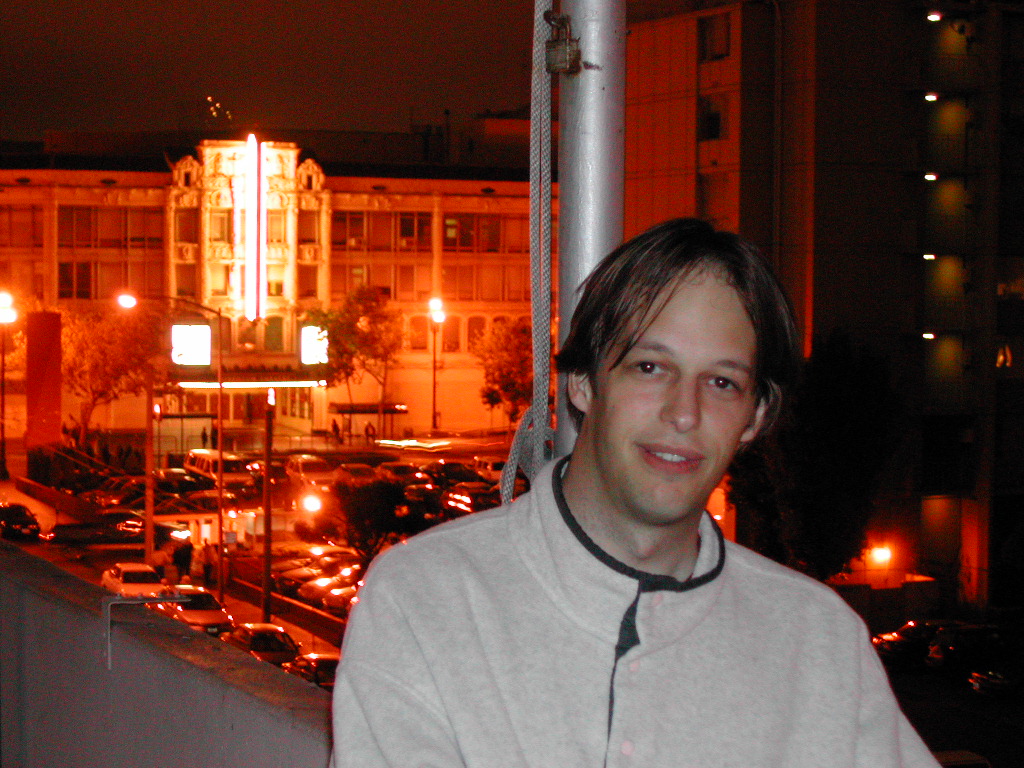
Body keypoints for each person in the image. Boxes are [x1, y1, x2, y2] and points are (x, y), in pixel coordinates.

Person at [330, 219, 939, 768]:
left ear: (754, 419)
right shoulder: (424, 600)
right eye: (650, 367)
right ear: (583, 383)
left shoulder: (819, 642)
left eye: (722, 383)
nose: (684, 412)